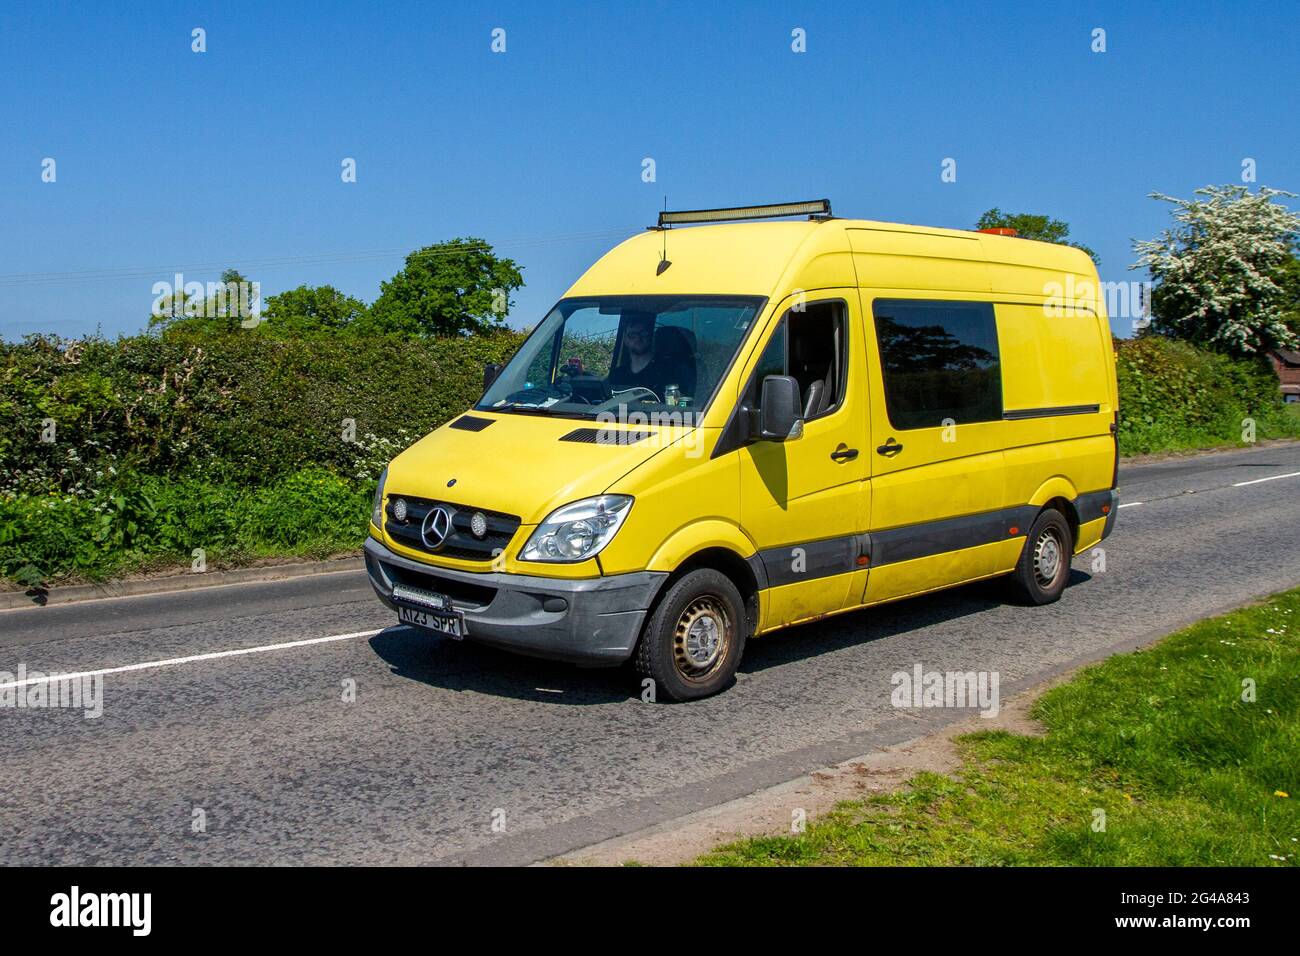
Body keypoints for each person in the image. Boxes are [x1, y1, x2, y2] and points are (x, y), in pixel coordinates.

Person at [606, 312, 695, 402]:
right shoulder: (617, 376)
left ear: (651, 337)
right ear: (625, 340)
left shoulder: (669, 372)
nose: (638, 338)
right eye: (632, 335)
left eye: (643, 333)